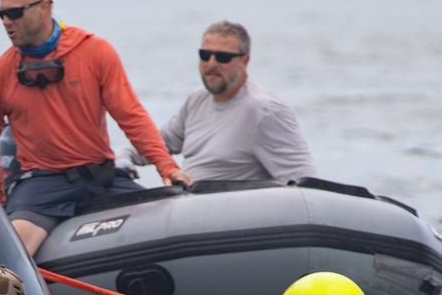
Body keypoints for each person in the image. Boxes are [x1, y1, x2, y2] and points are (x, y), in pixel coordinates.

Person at [0, 0, 191, 257]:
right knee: (12, 252)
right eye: (1, 14)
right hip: (41, 184)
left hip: (100, 175)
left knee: (167, 220)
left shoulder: (94, 52)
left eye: (14, 13)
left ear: (44, 8)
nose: (6, 22)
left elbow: (131, 116)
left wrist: (168, 168)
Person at [120, 21, 317, 183]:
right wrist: (124, 157)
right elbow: (158, 143)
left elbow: (304, 181)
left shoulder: (264, 111)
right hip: (188, 206)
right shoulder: (196, 100)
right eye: (205, 55)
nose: (211, 64)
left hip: (231, 215)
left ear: (245, 61)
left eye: (222, 57)